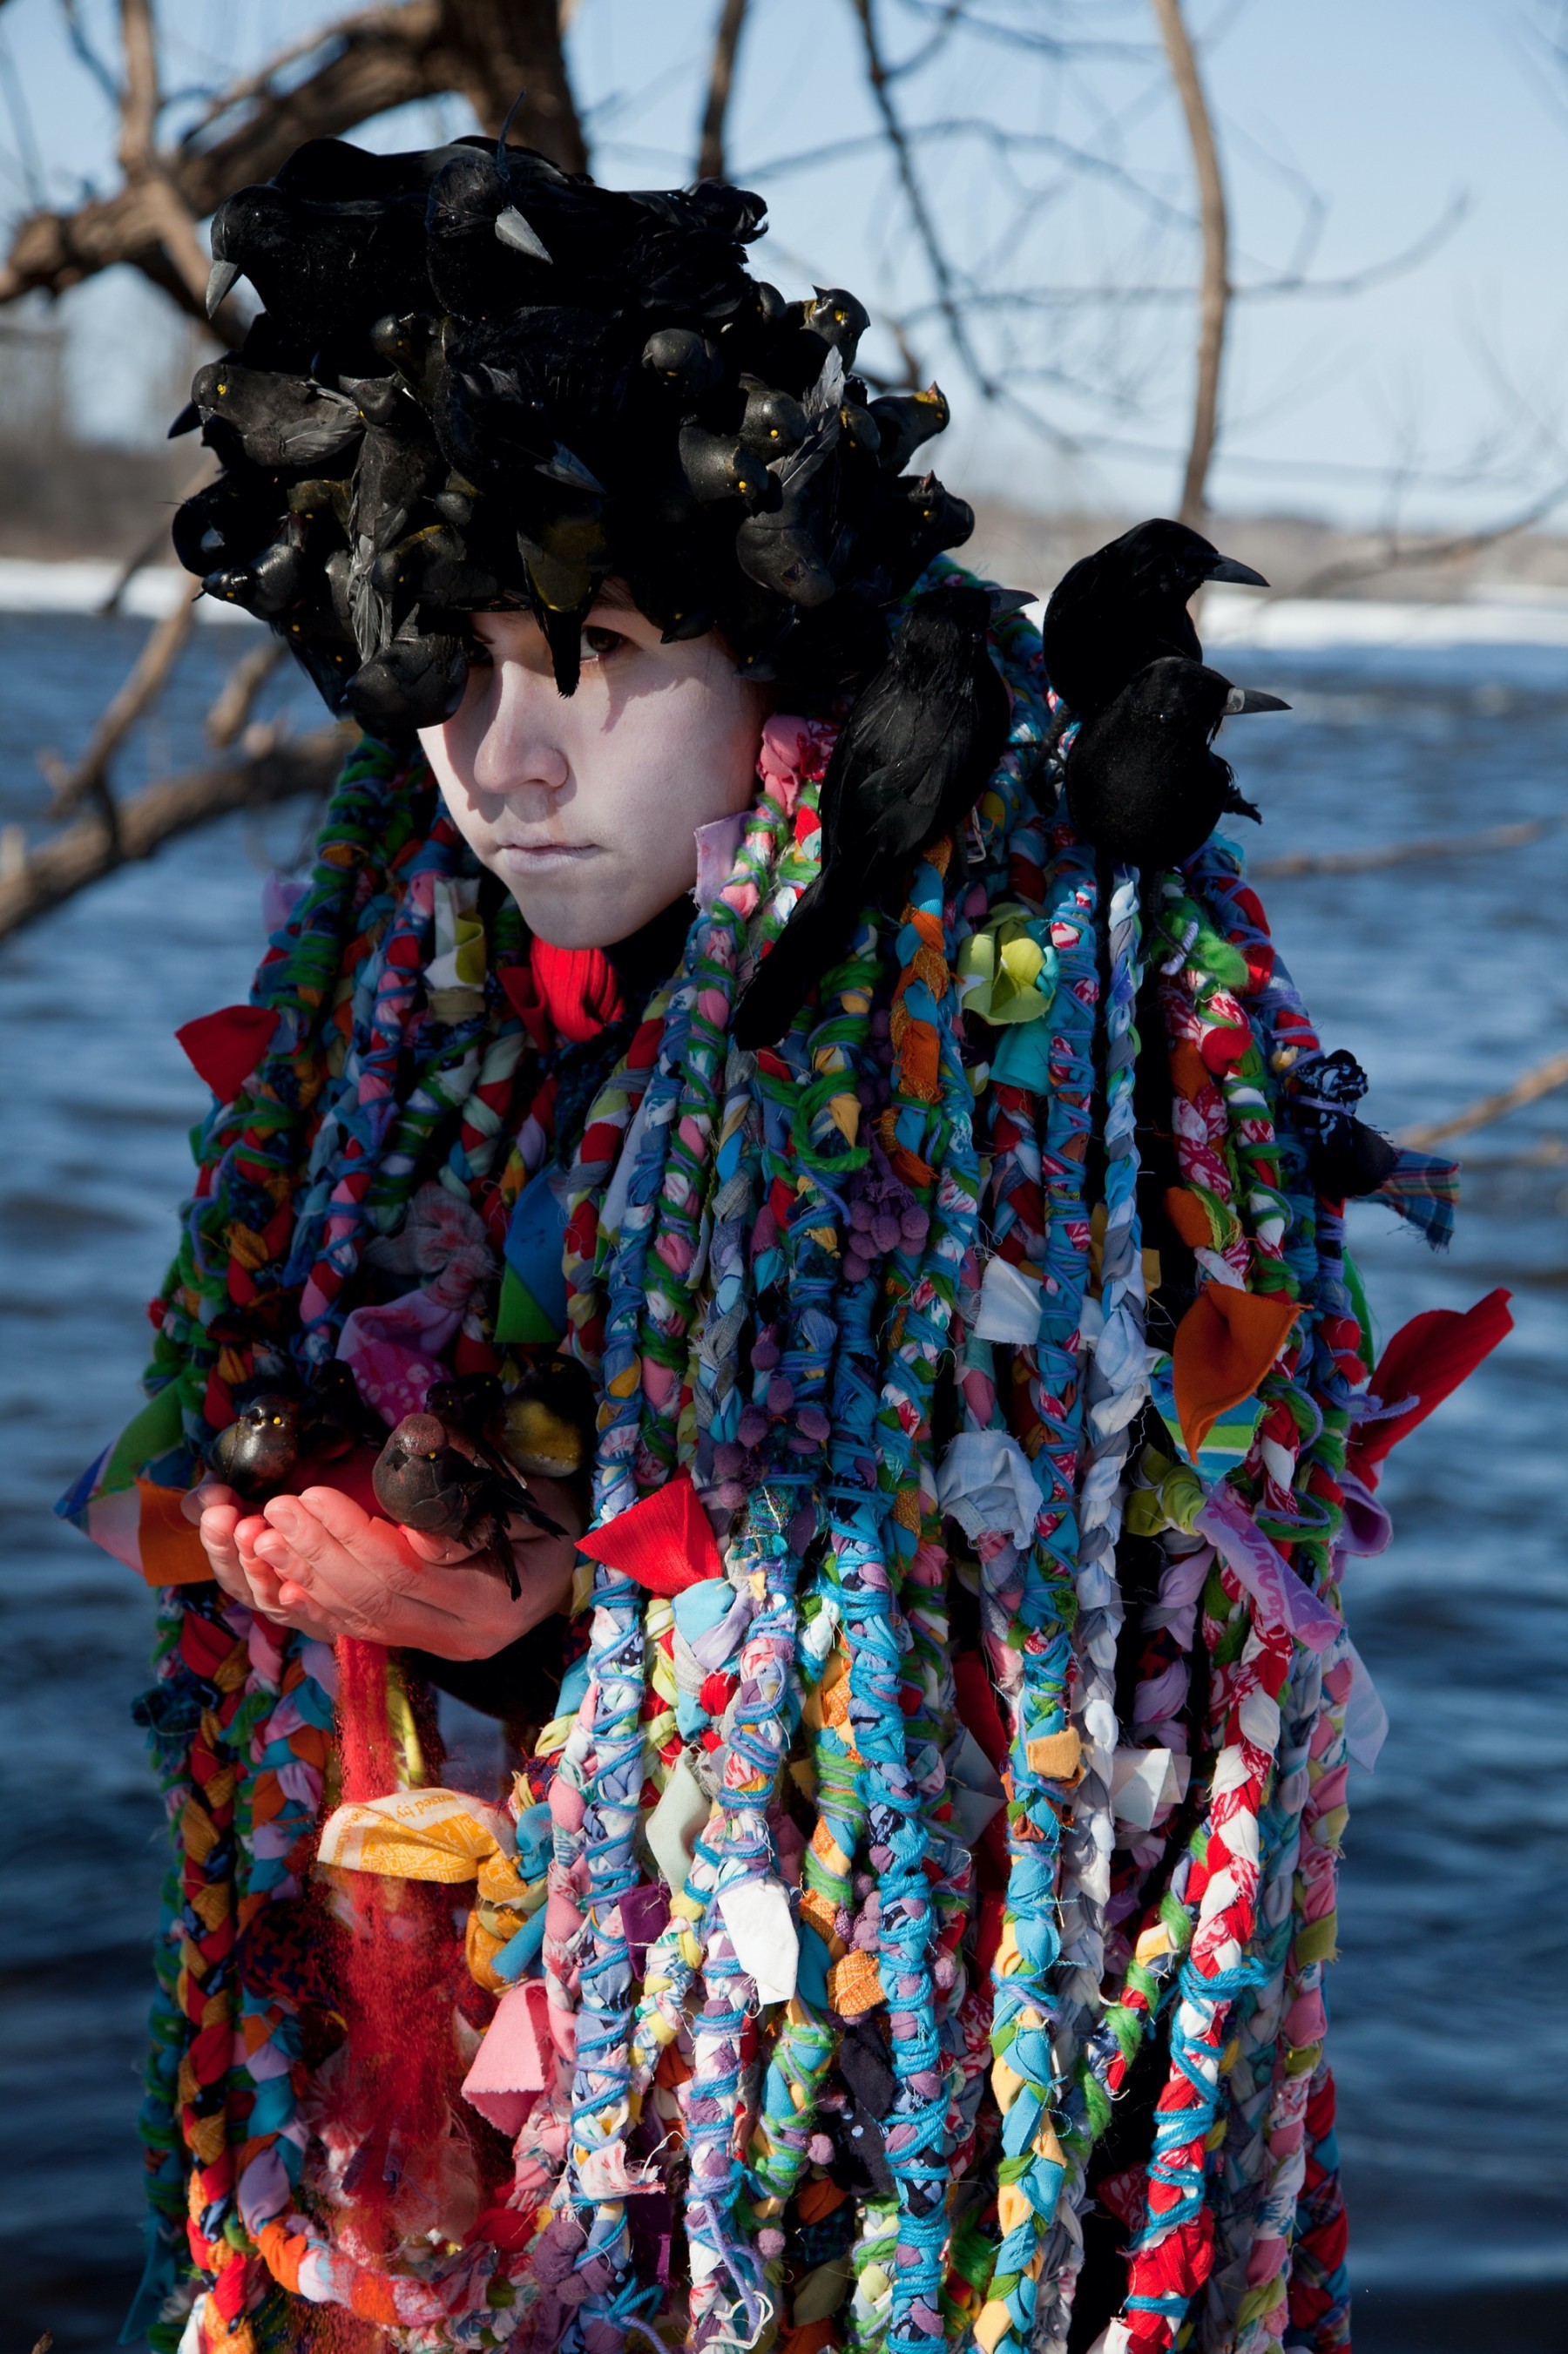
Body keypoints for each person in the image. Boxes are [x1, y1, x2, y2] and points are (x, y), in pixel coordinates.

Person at [62, 129, 1510, 2354]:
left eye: (600, 656)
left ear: (777, 646)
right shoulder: (419, 1001)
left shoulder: (1028, 1051)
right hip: (481, 2094)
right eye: (449, 672)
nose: (506, 763)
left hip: (864, 2118)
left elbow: (1002, 1606)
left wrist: (521, 1602)